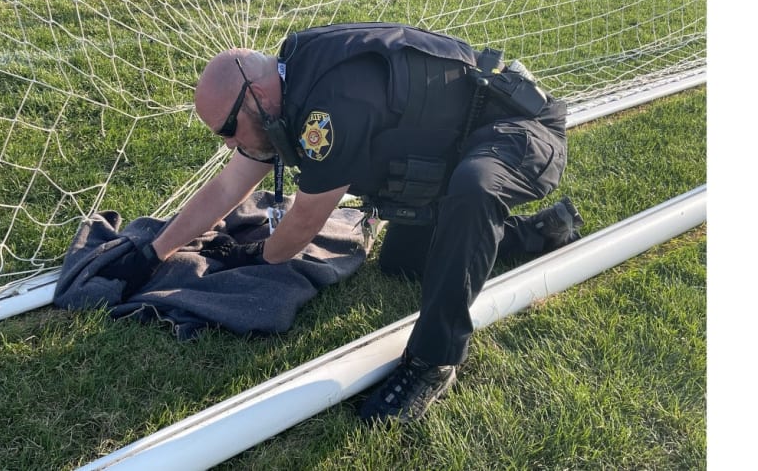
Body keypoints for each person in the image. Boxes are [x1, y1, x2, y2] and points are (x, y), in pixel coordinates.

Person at [121, 22, 583, 423]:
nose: (227, 145)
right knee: (404, 262)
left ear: (257, 97)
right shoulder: (287, 89)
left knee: (475, 188)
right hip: (455, 148)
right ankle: (538, 232)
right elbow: (227, 187)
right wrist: (153, 252)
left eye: (227, 129)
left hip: (521, 133)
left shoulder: (329, 106)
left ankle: (434, 361)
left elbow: (302, 225)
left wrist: (257, 256)